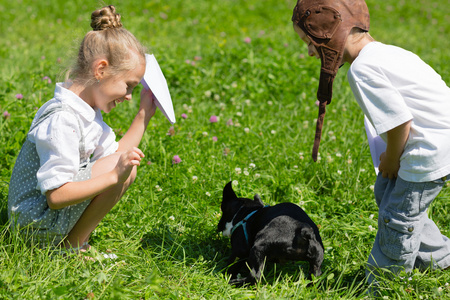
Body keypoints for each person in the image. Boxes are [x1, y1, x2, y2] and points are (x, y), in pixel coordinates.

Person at [291, 0, 450, 286]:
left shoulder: (362, 69)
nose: (310, 51)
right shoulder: (390, 53)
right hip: (440, 142)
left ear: (329, 32)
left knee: (397, 217)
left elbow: (401, 122)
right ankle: (440, 260)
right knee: (387, 193)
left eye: (310, 41)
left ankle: (384, 284)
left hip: (428, 151)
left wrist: (391, 158)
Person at [8, 5, 156, 252]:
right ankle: (71, 246)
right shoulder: (63, 120)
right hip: (32, 227)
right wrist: (111, 177)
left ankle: (72, 243)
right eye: (128, 86)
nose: (129, 96)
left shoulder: (86, 111)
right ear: (101, 70)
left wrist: (143, 115)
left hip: (45, 220)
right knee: (121, 168)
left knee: (125, 166)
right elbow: (56, 197)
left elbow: (115, 155)